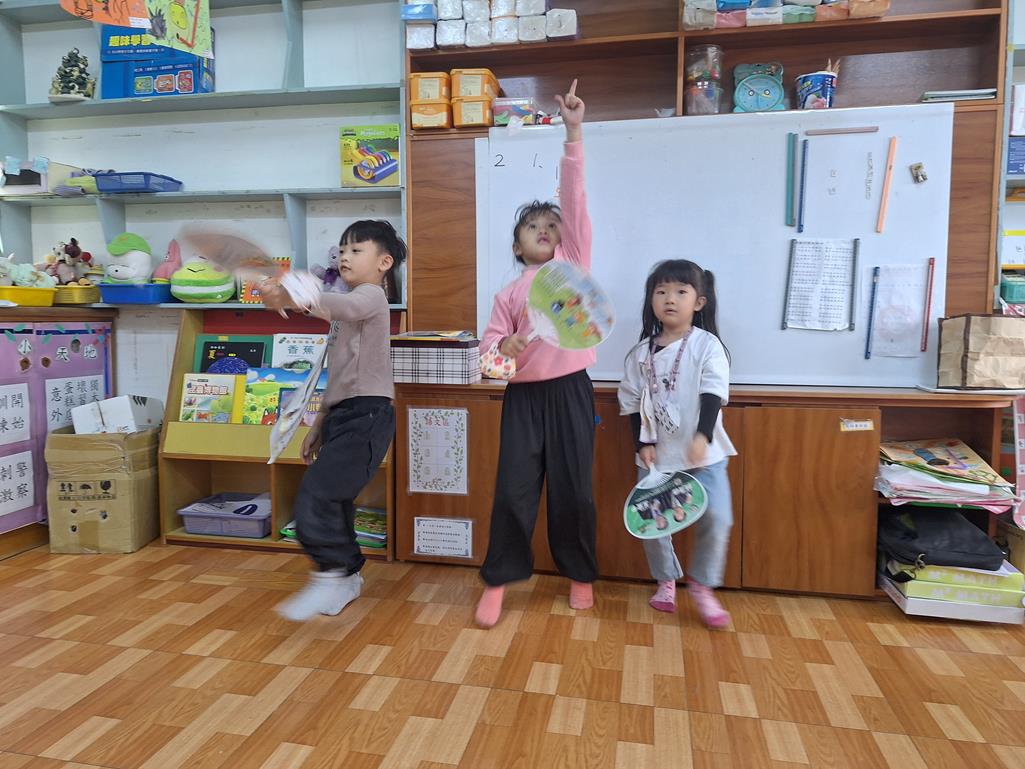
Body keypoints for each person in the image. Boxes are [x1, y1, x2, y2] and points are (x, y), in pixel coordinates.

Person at [475, 79, 598, 628]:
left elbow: (574, 196)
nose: (545, 230)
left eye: (553, 226)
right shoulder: (508, 294)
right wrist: (505, 346)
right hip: (523, 402)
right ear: (517, 244)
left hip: (571, 392)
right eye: (533, 227)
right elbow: (489, 357)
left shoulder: (572, 265)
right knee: (514, 493)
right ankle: (498, 581)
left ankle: (580, 575)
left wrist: (572, 133)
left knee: (575, 492)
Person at [261, 220, 406, 621]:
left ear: (384, 263)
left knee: (318, 495)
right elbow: (338, 373)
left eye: (356, 250)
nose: (345, 257)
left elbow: (344, 306)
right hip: (346, 414)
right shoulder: (345, 309)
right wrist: (320, 423)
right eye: (342, 250)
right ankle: (347, 576)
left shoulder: (371, 297)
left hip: (368, 415)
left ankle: (330, 573)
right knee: (335, 498)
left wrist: (293, 292)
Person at [617, 259, 737, 628]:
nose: (670, 298)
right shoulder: (639, 354)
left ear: (698, 302)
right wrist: (642, 444)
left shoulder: (707, 345)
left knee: (719, 517)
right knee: (652, 522)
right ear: (651, 299)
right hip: (658, 457)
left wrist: (702, 436)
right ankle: (665, 580)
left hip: (705, 455)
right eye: (662, 291)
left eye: (681, 291)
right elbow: (632, 402)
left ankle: (702, 585)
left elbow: (713, 393)